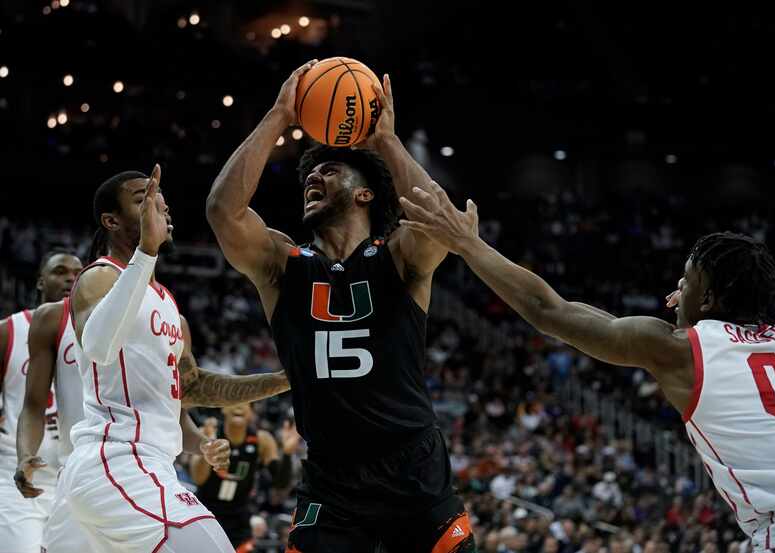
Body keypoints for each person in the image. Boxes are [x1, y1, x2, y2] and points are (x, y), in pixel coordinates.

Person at [399, 180, 775, 553]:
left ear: (711, 299)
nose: (677, 285)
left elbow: (549, 311)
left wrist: (468, 244)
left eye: (687, 278)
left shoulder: (679, 349)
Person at [206, 61, 475, 552]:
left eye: (330, 169)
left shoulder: (400, 254)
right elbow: (223, 212)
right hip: (332, 476)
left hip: (412, 466)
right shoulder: (282, 263)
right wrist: (277, 116)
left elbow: (444, 225)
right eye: (310, 173)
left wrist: (386, 143)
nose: (314, 177)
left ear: (365, 193)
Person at [58, 166, 293, 553]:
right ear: (111, 220)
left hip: (145, 466)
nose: (160, 208)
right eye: (144, 200)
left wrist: (284, 379)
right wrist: (145, 252)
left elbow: (193, 387)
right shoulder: (100, 276)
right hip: (117, 460)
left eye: (162, 203)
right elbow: (98, 346)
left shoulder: (169, 306)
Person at [0, 251, 82, 553]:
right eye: (60, 271)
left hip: (75, 478)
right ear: (40, 282)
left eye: (77, 272)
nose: (71, 278)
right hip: (15, 477)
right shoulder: (9, 331)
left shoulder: (95, 336)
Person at [190, 403, 298, 548]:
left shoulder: (262, 440)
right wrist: (207, 448)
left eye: (246, 403)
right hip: (206, 512)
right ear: (223, 407)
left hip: (239, 518)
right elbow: (198, 478)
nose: (239, 405)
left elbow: (281, 484)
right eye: (234, 400)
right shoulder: (210, 433)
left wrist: (287, 454)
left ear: (251, 412)